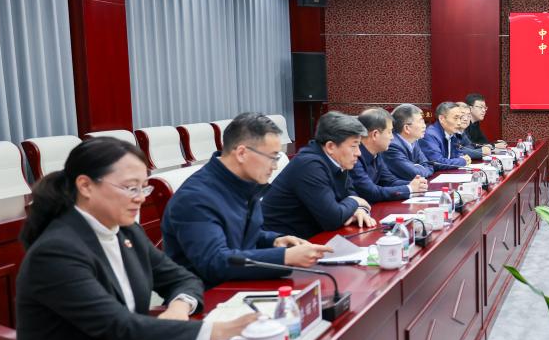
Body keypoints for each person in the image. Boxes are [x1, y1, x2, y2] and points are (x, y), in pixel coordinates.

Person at [12, 138, 255, 340]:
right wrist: (219, 331)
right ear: (85, 186)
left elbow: (182, 278)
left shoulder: (126, 232)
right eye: (130, 188)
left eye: (144, 188)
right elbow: (119, 326)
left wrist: (179, 307)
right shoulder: (57, 251)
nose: (140, 199)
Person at [163, 112, 332, 285]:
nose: (274, 166)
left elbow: (241, 235)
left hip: (242, 282)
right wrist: (284, 256)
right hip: (209, 295)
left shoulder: (244, 183)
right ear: (242, 153)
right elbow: (215, 262)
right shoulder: (195, 198)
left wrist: (274, 241)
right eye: (272, 157)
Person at [261, 111, 375, 239]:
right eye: (353, 146)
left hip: (312, 237)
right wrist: (355, 202)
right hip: (281, 242)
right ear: (331, 146)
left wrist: (359, 210)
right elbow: (332, 219)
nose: (358, 153)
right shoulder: (309, 165)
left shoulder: (338, 159)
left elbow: (349, 194)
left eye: (359, 146)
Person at [351, 107, 429, 203]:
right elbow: (370, 192)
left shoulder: (377, 153)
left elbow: (389, 181)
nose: (392, 137)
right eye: (389, 132)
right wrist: (410, 189)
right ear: (375, 134)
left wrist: (416, 185)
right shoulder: (354, 157)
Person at [382, 103, 435, 185]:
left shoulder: (413, 141)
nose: (424, 126)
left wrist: (417, 167)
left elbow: (428, 165)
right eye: (420, 122)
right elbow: (414, 174)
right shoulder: (392, 146)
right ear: (407, 128)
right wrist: (419, 167)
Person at [419, 101, 470, 170]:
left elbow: (458, 154)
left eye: (460, 118)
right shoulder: (430, 135)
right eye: (455, 118)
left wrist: (463, 158)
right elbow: (437, 163)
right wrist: (462, 161)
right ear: (442, 119)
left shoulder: (452, 134)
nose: (459, 123)